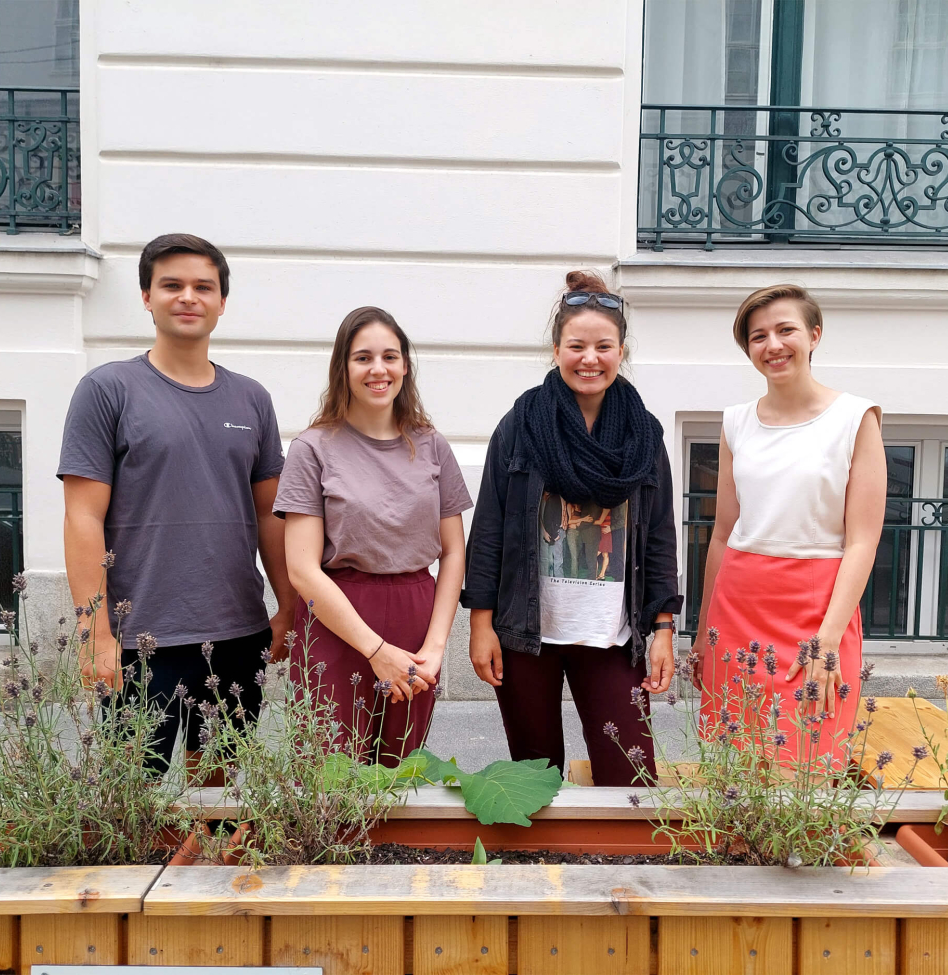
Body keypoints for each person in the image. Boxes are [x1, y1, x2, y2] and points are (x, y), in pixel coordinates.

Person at [59, 233, 295, 775]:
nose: (188, 296)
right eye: (172, 285)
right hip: (140, 636)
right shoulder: (107, 390)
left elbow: (269, 513)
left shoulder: (251, 398)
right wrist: (94, 633)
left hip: (237, 631)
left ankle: (208, 866)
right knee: (131, 791)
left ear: (221, 302)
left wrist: (287, 606)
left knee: (218, 787)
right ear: (147, 297)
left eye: (202, 286)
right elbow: (82, 516)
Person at [462, 270, 681, 788]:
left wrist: (664, 629)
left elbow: (659, 538)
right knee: (535, 777)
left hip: (612, 635)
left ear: (621, 351)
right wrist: (480, 624)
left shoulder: (643, 434)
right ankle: (550, 870)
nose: (590, 358)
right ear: (556, 349)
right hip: (525, 634)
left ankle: (623, 871)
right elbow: (489, 527)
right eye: (576, 345)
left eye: (603, 346)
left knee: (631, 778)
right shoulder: (521, 424)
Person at [695, 284, 886, 765]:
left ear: (814, 335)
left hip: (817, 606)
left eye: (786, 330)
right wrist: (701, 631)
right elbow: (722, 532)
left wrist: (827, 639)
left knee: (811, 758)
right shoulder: (736, 422)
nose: (773, 345)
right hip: (736, 608)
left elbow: (863, 541)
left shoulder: (854, 417)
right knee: (734, 759)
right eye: (758, 337)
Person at [274, 306, 472, 765]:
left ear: (405, 365)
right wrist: (375, 649)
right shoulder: (313, 448)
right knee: (329, 771)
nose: (378, 369)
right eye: (363, 358)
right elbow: (302, 569)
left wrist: (435, 648)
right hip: (337, 617)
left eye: (390, 356)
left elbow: (454, 551)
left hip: (417, 614)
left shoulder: (431, 445)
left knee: (399, 768)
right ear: (343, 368)